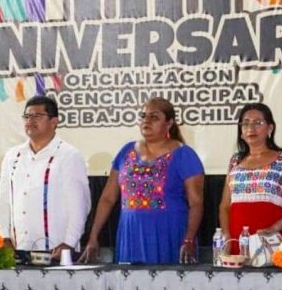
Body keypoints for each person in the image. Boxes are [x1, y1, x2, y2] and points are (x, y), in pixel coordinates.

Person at [80, 97, 204, 264]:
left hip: (168, 233)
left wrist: (189, 239)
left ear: (169, 123)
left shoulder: (184, 155)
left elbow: (196, 203)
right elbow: (108, 198)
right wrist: (93, 236)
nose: (146, 121)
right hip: (131, 234)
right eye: (143, 116)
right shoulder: (126, 151)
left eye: (154, 117)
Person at [0, 95, 90, 257]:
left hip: (56, 251)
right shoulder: (13, 156)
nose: (30, 121)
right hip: (19, 250)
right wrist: (4, 237)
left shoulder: (68, 155)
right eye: (27, 116)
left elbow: (79, 205)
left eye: (37, 116)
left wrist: (69, 243)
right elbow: (2, 201)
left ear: (54, 122)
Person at [219, 103, 282, 245]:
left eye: (258, 123)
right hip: (238, 240)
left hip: (273, 240)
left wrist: (275, 228)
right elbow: (224, 206)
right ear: (241, 131)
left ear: (270, 128)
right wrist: (227, 238)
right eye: (245, 123)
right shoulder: (235, 161)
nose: (251, 128)